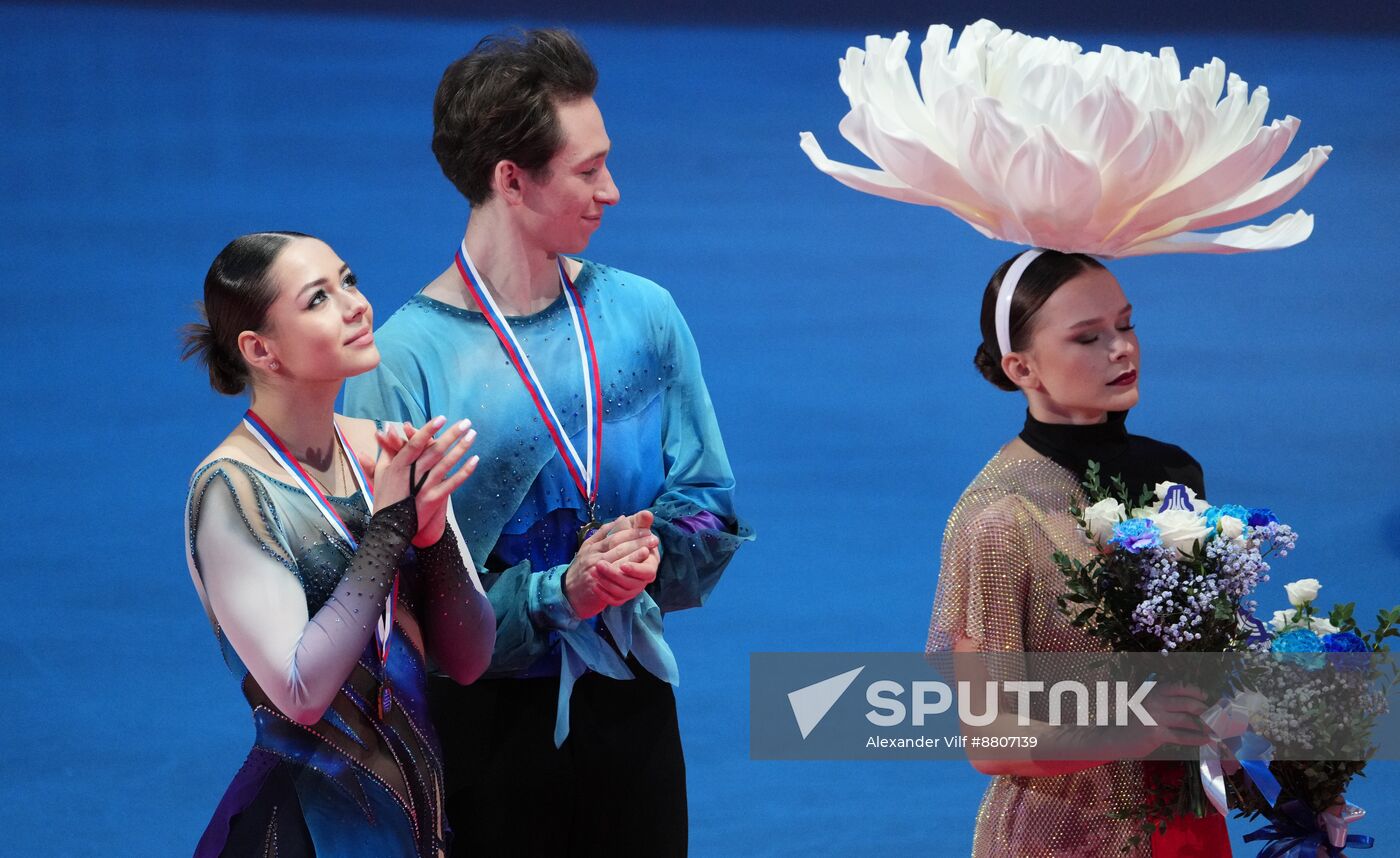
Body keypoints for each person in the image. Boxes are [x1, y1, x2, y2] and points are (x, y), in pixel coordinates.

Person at [343, 28, 750, 856]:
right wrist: (563, 592)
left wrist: (642, 557)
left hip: (633, 708)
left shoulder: (643, 315)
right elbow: (390, 610)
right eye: (589, 169)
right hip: (481, 740)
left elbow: (710, 510)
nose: (614, 190)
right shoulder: (404, 365)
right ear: (511, 180)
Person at [182, 231, 497, 857]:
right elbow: (299, 694)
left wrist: (431, 538)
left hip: (413, 824)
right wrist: (389, 528)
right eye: (318, 298)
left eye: (348, 281)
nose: (356, 304)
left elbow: (469, 659)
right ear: (260, 349)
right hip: (301, 831)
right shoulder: (229, 490)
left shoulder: (388, 450)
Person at [925, 250, 1232, 857]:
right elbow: (988, 739)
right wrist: (1132, 730)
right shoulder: (1000, 519)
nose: (1122, 349)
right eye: (1088, 337)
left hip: (1184, 829)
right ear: (1022, 368)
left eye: (1126, 323)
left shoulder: (1174, 473)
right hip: (1063, 838)